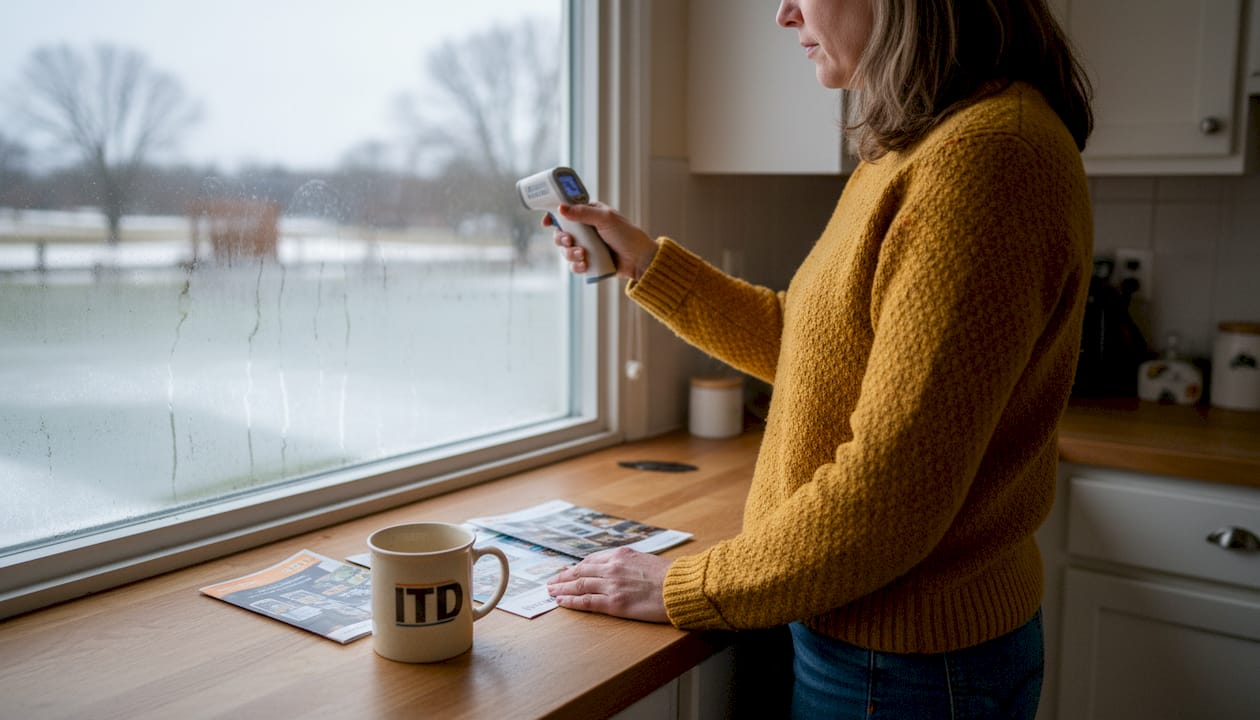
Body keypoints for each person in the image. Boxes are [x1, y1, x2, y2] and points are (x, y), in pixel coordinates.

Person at [546, 0, 1093, 716]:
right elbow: (821, 351)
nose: (783, 13)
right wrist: (643, 262)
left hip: (903, 665)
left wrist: (686, 586)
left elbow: (890, 493)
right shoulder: (923, 146)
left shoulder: (985, 158)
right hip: (874, 635)